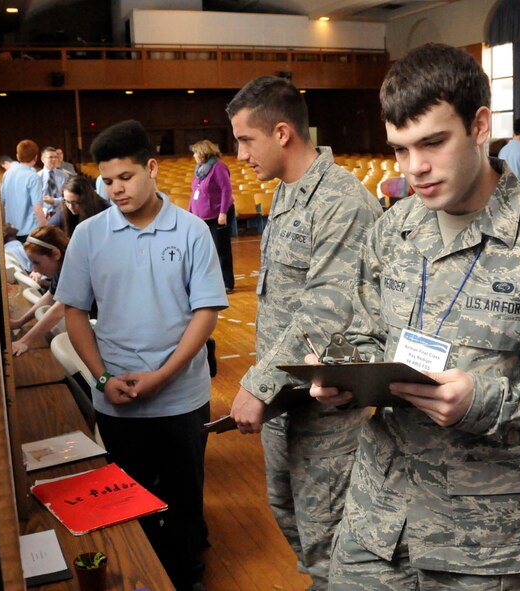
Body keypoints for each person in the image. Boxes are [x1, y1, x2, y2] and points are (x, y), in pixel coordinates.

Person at [310, 43, 520, 590]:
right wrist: (341, 374)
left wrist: (483, 401)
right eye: (399, 150)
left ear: (478, 126)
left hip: (481, 543)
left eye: (432, 142)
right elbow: (364, 334)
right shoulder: (392, 228)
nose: (414, 168)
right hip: (376, 523)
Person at [55, 119, 228, 591]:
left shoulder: (192, 231)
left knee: (184, 498)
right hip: (117, 398)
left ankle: (187, 575)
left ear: (151, 168)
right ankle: (145, 576)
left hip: (181, 398)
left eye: (126, 177)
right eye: (107, 180)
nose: (116, 189)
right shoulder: (89, 235)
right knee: (131, 499)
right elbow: (74, 314)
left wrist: (165, 376)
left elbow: (206, 312)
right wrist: (101, 377)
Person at [226, 75, 383, 589]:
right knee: (290, 513)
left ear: (282, 132)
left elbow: (326, 308)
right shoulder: (290, 194)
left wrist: (257, 382)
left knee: (331, 537)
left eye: (247, 140)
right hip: (284, 402)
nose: (241, 153)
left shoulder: (340, 200)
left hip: (324, 409)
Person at [10, 226, 69, 356]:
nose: (34, 270)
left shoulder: (74, 268)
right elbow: (49, 296)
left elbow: (59, 309)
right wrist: (20, 322)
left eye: (37, 263)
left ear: (55, 254)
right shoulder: (62, 268)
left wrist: (25, 341)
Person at [189, 139, 235, 292]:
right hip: (201, 217)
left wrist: (223, 212)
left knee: (221, 250)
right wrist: (190, 212)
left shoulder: (218, 167)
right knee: (205, 251)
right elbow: (194, 193)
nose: (194, 156)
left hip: (217, 216)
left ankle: (227, 283)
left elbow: (226, 190)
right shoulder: (200, 169)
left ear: (203, 153)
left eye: (195, 152)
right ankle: (211, 282)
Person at [1, 139, 45, 241]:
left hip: (11, 231)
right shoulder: (33, 176)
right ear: (36, 157)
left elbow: (1, 203)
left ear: (17, 156)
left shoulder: (7, 174)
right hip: (30, 231)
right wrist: (45, 229)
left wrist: (3, 226)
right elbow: (37, 208)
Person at [38, 146, 70, 214]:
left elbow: (67, 198)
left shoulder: (64, 176)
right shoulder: (37, 177)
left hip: (62, 212)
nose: (54, 159)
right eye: (51, 157)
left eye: (56, 157)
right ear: (43, 159)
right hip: (43, 213)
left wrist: (54, 201)